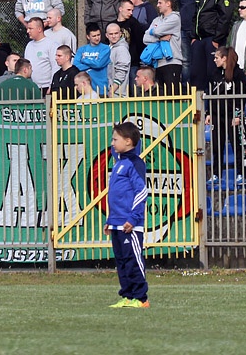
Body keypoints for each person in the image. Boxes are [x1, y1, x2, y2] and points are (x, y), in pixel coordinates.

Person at [104, 121, 149, 309]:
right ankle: (128, 296)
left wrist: (133, 218)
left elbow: (141, 192)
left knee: (133, 261)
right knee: (122, 262)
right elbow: (116, 195)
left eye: (115, 139)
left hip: (130, 223)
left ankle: (141, 298)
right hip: (117, 223)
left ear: (128, 141)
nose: (112, 143)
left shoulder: (135, 163)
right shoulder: (119, 163)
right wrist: (110, 220)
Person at [188, 0, 234, 90]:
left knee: (212, 72)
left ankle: (213, 104)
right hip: (199, 40)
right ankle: (198, 106)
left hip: (212, 40)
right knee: (196, 73)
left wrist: (216, 39)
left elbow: (225, 18)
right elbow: (195, 16)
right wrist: (193, 37)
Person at [207, 46, 246, 180]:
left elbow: (242, 96)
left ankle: (240, 173)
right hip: (218, 114)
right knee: (217, 146)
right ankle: (216, 174)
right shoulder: (215, 73)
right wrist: (209, 113)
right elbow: (211, 93)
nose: (214, 60)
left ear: (224, 58)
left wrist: (237, 115)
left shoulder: (238, 73)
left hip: (232, 115)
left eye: (217, 58)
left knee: (236, 144)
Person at [142, 0, 182, 92]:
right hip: (159, 63)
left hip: (172, 62)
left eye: (160, 3)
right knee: (162, 94)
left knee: (172, 94)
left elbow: (158, 30)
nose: (157, 5)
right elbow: (145, 38)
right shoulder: (156, 20)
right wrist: (160, 38)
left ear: (168, 4)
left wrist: (154, 32)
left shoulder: (175, 18)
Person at [176, 0, 204, 83]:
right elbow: (180, 5)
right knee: (185, 60)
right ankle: (185, 87)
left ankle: (197, 86)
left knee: (198, 59)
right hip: (183, 28)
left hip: (197, 29)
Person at [73, 23, 111, 96]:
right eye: (94, 36)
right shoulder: (82, 49)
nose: (97, 38)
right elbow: (76, 66)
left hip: (101, 88)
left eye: (98, 35)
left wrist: (84, 60)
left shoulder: (105, 48)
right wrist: (93, 63)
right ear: (88, 36)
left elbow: (99, 64)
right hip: (86, 89)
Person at [23, 17, 59, 93]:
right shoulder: (29, 45)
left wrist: (51, 86)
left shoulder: (51, 45)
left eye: (30, 28)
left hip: (46, 87)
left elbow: (55, 67)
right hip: (31, 86)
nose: (28, 31)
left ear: (39, 29)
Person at [116, 0, 147, 83]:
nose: (131, 13)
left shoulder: (134, 23)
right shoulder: (113, 24)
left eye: (132, 10)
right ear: (120, 9)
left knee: (134, 87)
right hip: (117, 62)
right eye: (128, 10)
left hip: (133, 62)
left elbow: (140, 41)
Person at [106, 23, 130, 98]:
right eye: (111, 34)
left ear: (120, 34)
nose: (113, 36)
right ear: (106, 35)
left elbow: (121, 72)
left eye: (116, 33)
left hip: (118, 94)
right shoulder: (110, 48)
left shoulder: (121, 49)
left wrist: (112, 90)